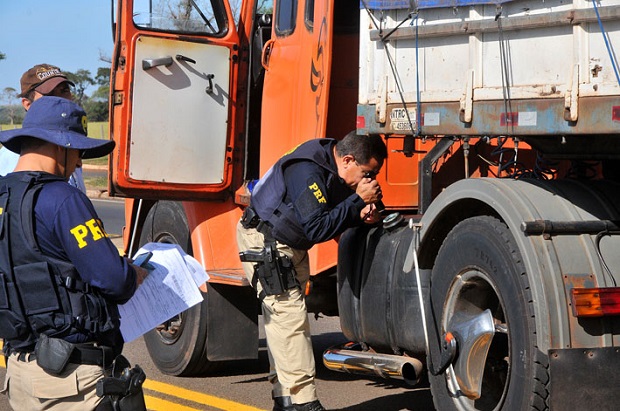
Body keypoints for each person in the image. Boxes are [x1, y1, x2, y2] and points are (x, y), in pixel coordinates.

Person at [0, 96, 148, 411]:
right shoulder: (63, 199)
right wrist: (133, 273)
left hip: (19, 374)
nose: (79, 163)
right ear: (60, 146)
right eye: (78, 151)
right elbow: (115, 281)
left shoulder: (3, 196)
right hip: (71, 383)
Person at [236, 132, 388, 411]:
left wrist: (361, 215)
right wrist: (357, 201)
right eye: (368, 173)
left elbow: (332, 215)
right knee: (290, 321)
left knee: (282, 324)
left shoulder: (336, 166)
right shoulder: (307, 170)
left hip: (291, 245)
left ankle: (285, 399)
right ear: (348, 160)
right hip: (267, 242)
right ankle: (304, 403)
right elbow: (317, 228)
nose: (370, 180)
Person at [0, 64, 85, 193]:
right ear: (28, 104)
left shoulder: (71, 151)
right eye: (49, 95)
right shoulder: (13, 157)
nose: (60, 100)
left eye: (64, 91)